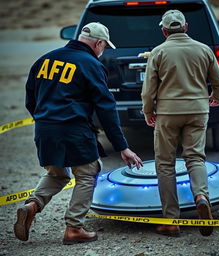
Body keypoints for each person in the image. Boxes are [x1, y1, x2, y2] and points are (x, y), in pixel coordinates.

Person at [14, 22, 143, 245]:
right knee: (88, 172)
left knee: (57, 174)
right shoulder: (91, 64)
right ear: (99, 43)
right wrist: (122, 146)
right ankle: (74, 227)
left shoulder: (45, 59)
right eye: (103, 47)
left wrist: (46, 120)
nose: (103, 51)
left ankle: (32, 205)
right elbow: (106, 108)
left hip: (45, 128)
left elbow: (30, 99)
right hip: (74, 129)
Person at [141, 10, 219, 237]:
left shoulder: (158, 52)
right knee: (195, 157)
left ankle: (171, 220)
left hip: (168, 112)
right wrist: (217, 97)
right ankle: (201, 197)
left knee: (165, 163)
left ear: (164, 30)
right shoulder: (203, 49)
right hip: (198, 110)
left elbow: (148, 89)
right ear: (186, 27)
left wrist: (148, 111)